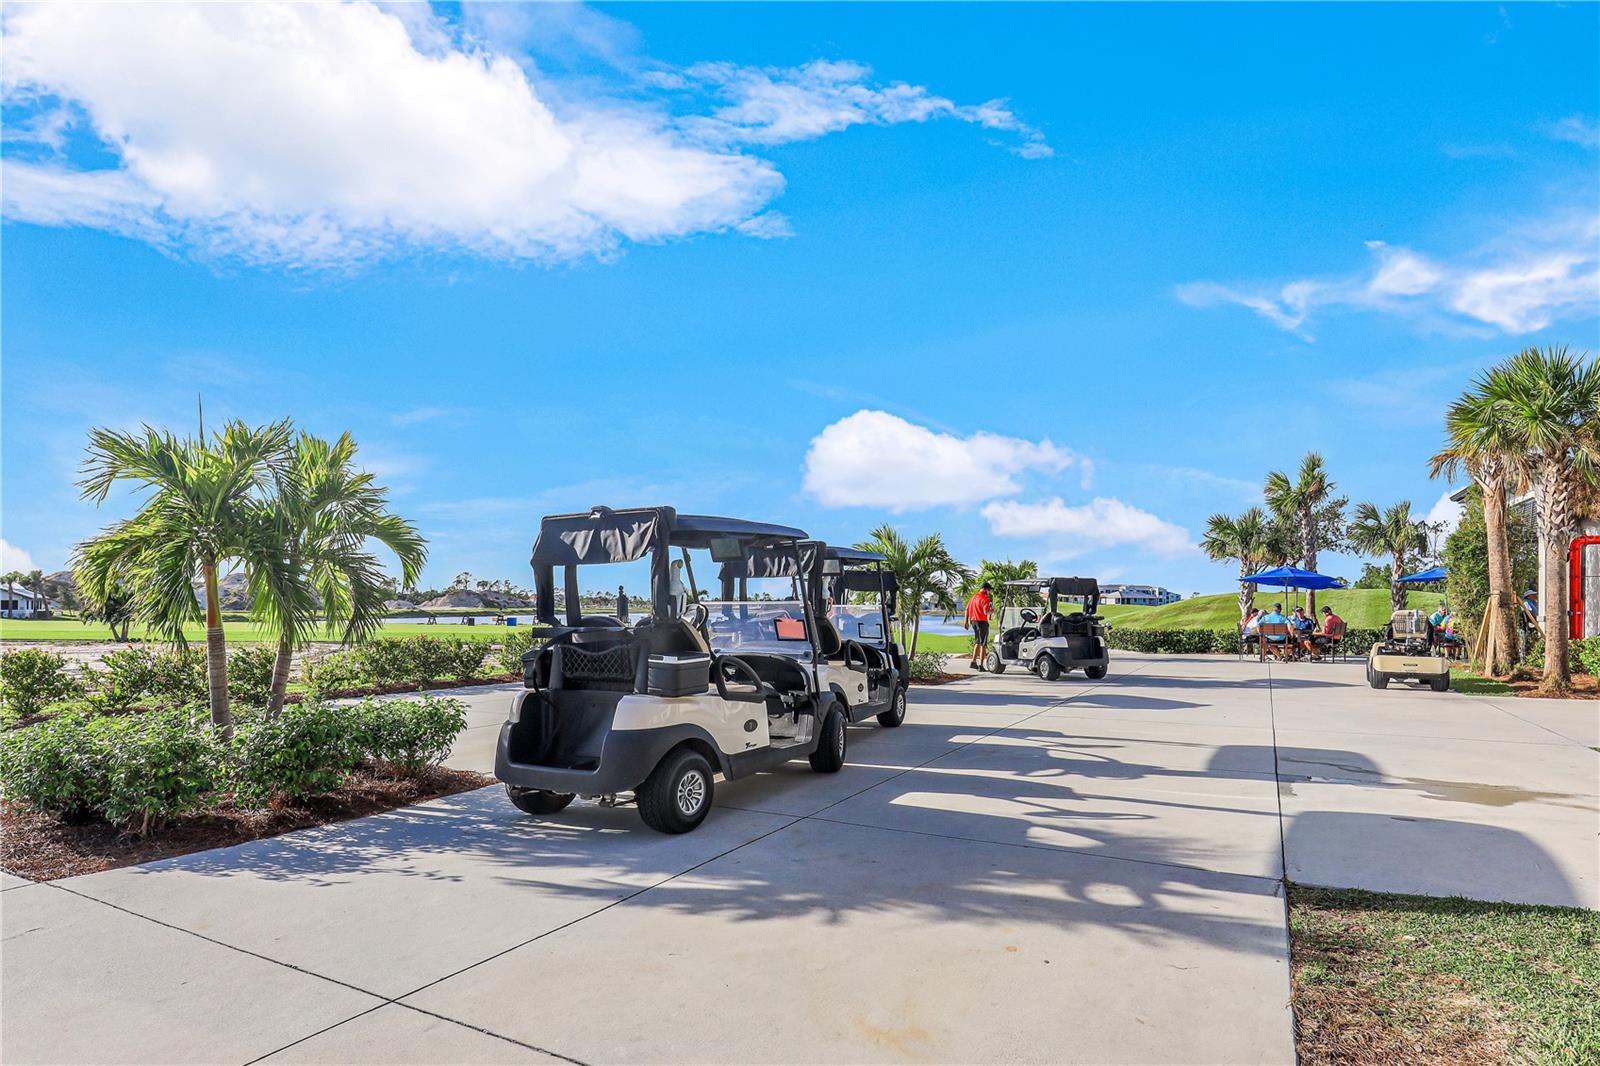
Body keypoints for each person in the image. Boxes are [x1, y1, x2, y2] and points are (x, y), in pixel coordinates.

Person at [964, 581, 994, 669]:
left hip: (973, 621)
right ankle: (981, 665)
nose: (989, 592)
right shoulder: (986, 599)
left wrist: (965, 622)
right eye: (989, 590)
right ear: (985, 589)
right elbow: (986, 612)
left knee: (977, 641)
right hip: (982, 622)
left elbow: (967, 610)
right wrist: (993, 611)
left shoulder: (973, 597)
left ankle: (973, 662)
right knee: (983, 644)